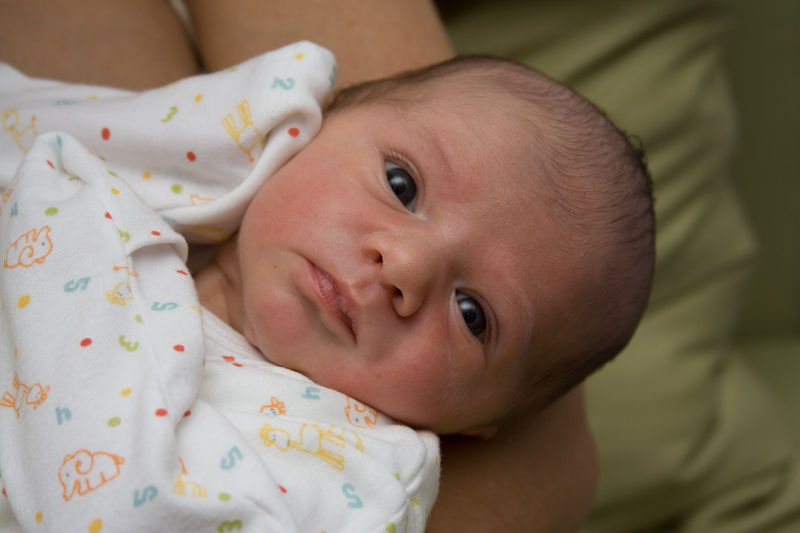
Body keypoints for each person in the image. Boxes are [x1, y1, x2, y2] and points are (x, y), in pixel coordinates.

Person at [0, 36, 653, 532]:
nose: (404, 266)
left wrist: (73, 223)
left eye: (472, 313)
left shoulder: (351, 471)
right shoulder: (151, 174)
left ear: (479, 424)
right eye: (402, 185)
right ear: (318, 124)